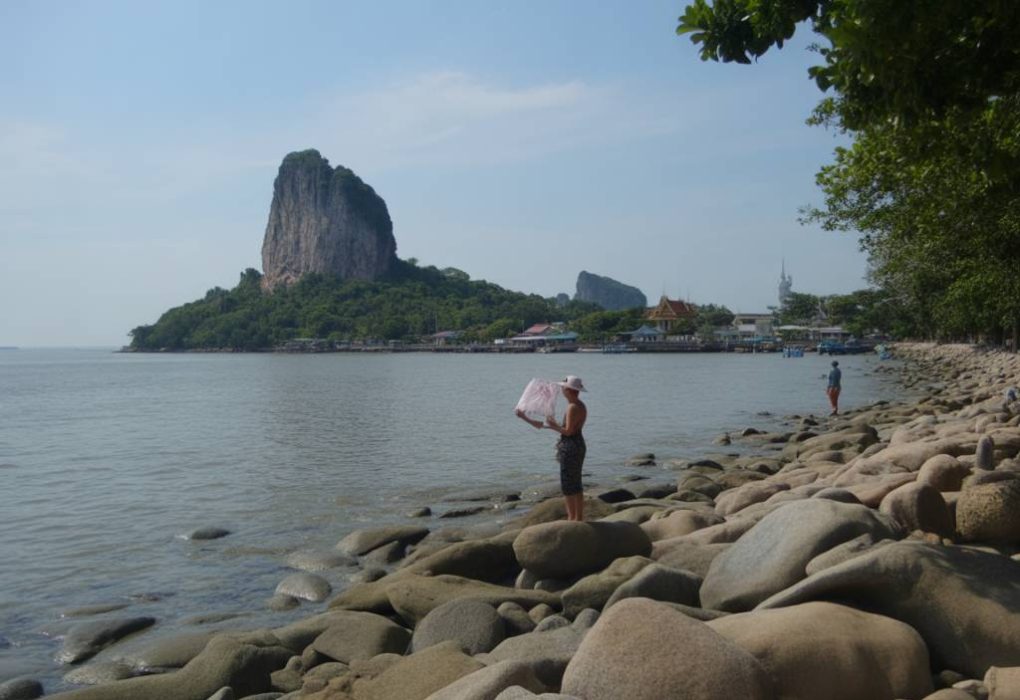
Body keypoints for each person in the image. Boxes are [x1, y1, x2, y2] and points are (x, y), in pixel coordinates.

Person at [515, 375, 588, 521]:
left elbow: (568, 431)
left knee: (568, 485)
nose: (561, 390)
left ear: (569, 390)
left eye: (563, 388)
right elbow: (566, 428)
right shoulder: (580, 405)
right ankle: (577, 517)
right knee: (575, 482)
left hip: (570, 446)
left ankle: (572, 518)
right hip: (577, 444)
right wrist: (529, 419)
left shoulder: (573, 407)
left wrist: (552, 425)